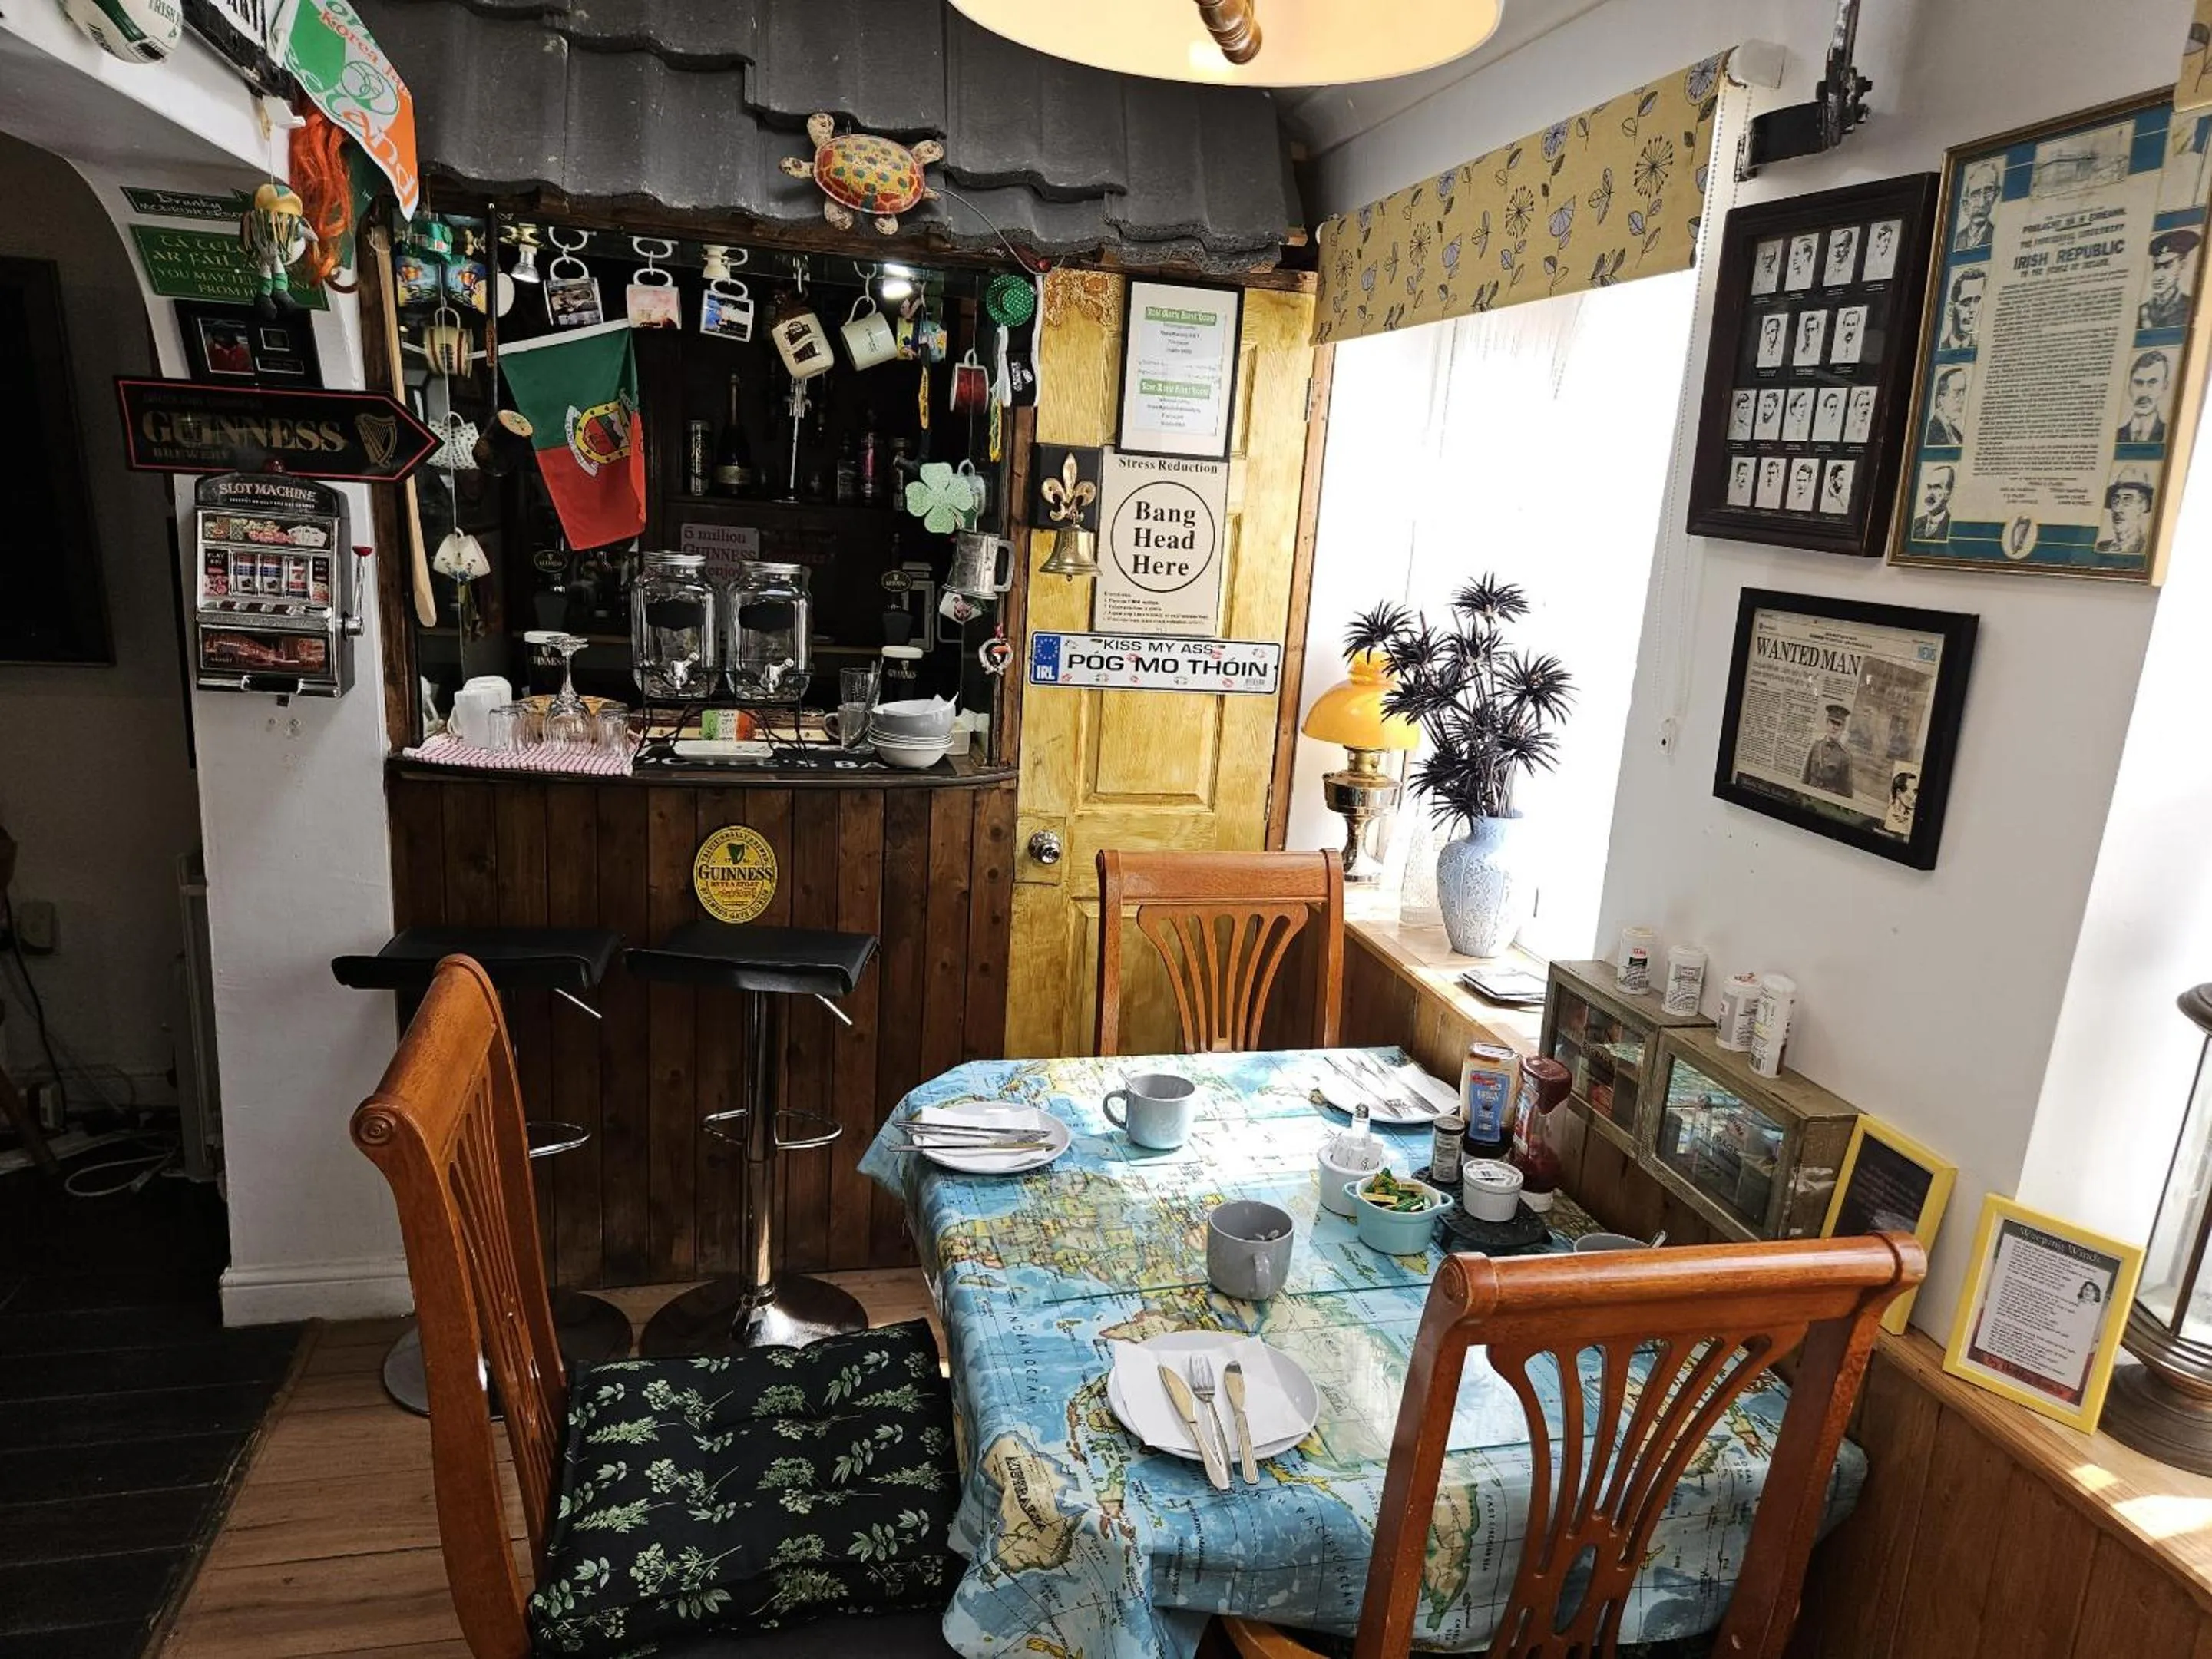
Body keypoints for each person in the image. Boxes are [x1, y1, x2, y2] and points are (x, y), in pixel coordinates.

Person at [2140, 229, 2200, 332]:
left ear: (2182, 265)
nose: (2159, 276)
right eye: (2157, 267)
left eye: (2167, 266)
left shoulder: (2192, 306)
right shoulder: (2141, 311)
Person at [2118, 351, 2172, 445]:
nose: (2144, 393)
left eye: (2152, 382)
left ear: (2164, 386)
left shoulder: (2169, 434)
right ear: (2129, 385)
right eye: (2138, 383)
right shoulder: (2116, 435)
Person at [1801, 704, 1856, 796]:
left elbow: (1847, 791)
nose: (1835, 728)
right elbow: (1806, 777)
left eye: (1839, 724)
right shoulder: (1816, 746)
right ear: (1827, 723)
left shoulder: (1845, 756)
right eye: (1833, 722)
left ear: (1843, 729)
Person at [2096, 475, 2154, 558]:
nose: (2117, 509)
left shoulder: (2147, 548)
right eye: (2115, 500)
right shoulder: (2101, 547)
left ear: (2143, 505)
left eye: (2127, 500)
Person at [1956, 160, 2002, 250]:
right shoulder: (1957, 240)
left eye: (1988, 192)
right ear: (1965, 202)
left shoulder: (2000, 236)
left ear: (1996, 194)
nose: (1982, 203)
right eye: (1975, 195)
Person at [1941, 267, 1986, 352]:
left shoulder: (1981, 349)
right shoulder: (1942, 347)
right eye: (1966, 303)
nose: (1972, 310)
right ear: (1952, 308)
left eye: (1977, 301)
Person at [1926, 365, 1971, 445]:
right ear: (1940, 400)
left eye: (1963, 392)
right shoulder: (1931, 433)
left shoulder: (1955, 433)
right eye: (1957, 393)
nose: (1962, 399)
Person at [1912, 464, 1956, 541]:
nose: (1930, 494)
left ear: (1948, 493)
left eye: (1937, 487)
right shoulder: (1915, 524)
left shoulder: (1953, 527)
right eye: (1929, 487)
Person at [1883, 769, 1919, 835]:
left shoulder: (1912, 819)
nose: (1917, 797)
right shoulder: (1888, 816)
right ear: (1899, 793)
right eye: (1914, 792)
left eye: (1917, 792)